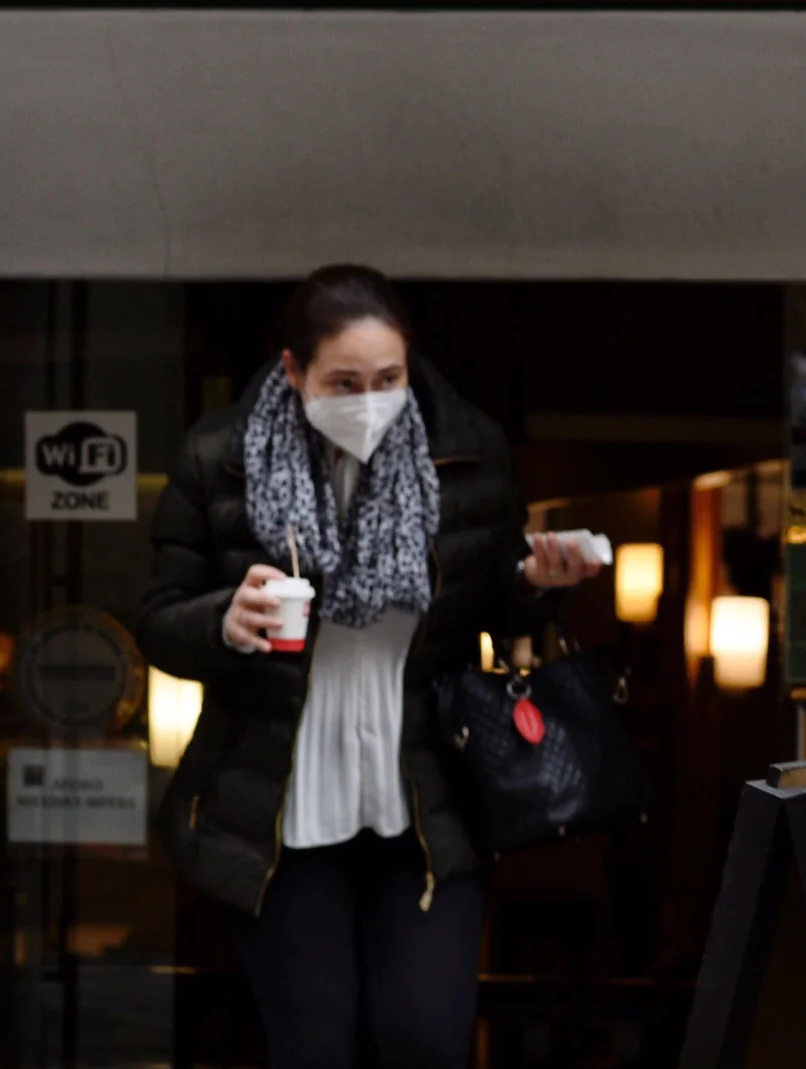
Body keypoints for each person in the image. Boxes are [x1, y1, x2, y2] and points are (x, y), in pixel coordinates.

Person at [137, 265, 601, 1069]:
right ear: (293, 371)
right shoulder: (220, 458)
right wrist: (224, 621)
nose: (369, 399)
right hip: (281, 806)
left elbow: (497, 608)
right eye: (343, 381)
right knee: (313, 1047)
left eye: (388, 378)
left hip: (422, 799)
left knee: (427, 1038)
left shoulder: (467, 452)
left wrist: (534, 585)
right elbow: (157, 622)